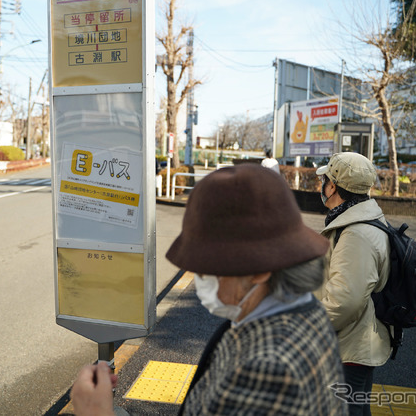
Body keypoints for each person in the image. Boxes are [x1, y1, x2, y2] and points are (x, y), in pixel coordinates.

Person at [71, 164, 348, 416]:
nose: (200, 276)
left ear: (260, 270)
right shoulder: (301, 312)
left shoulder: (270, 369)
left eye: (208, 266)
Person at [315, 152, 392, 416]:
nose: (321, 186)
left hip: (347, 349)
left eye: (324, 180)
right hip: (350, 343)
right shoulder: (358, 220)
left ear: (333, 186)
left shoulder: (356, 233)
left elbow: (345, 300)